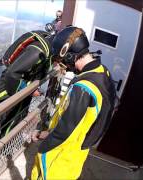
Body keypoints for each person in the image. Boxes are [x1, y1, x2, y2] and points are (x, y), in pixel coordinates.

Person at [31, 26, 116, 179]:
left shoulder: (83, 88)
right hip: (77, 151)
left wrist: (43, 148)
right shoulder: (103, 72)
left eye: (63, 60)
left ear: (70, 56)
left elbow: (65, 130)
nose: (64, 65)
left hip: (60, 156)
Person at [0, 30, 55, 137]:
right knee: (10, 117)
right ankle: (3, 142)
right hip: (14, 88)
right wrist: (30, 90)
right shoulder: (42, 51)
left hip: (17, 87)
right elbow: (13, 74)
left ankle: (4, 140)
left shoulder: (46, 47)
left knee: (11, 117)